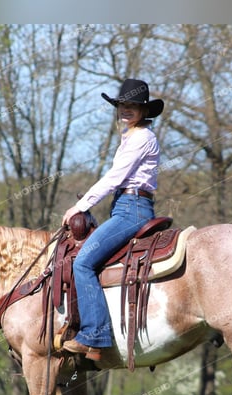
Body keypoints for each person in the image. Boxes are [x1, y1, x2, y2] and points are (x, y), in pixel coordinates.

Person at [61, 78, 164, 362]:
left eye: (133, 106)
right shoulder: (131, 137)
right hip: (126, 205)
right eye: (122, 105)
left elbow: (114, 179)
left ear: (145, 111)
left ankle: (95, 335)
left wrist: (78, 207)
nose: (126, 110)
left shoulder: (142, 138)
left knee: (82, 263)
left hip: (132, 209)